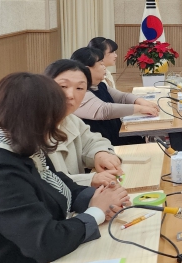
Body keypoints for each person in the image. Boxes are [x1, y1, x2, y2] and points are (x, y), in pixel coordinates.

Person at [0, 73, 130, 263]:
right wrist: (96, 212)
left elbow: (58, 184)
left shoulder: (18, 143)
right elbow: (44, 242)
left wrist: (101, 196)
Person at [45, 59, 124, 187]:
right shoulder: (29, 128)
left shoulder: (70, 119)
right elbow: (43, 183)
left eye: (80, 88)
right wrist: (90, 180)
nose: (70, 95)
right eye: (63, 86)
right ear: (44, 86)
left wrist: (101, 154)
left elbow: (92, 141)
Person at [71, 47, 158, 145]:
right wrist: (139, 108)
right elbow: (104, 110)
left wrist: (141, 101)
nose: (104, 67)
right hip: (103, 146)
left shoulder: (100, 85)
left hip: (118, 137)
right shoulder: (80, 92)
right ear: (87, 69)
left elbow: (122, 97)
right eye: (101, 64)